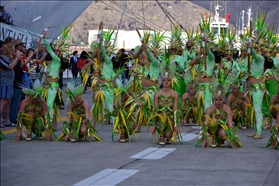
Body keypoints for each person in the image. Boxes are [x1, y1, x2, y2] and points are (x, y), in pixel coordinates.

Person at [41, 25, 72, 140]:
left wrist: (45, 38)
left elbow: (48, 49)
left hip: (53, 86)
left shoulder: (58, 60)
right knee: (50, 105)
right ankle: (52, 125)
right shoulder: (50, 62)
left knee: (49, 105)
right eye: (56, 50)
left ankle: (48, 126)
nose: (57, 52)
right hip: (46, 86)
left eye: (58, 51)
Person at [197, 83, 243, 148]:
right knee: (214, 120)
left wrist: (231, 139)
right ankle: (214, 139)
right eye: (216, 99)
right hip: (212, 129)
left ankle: (222, 140)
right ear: (213, 100)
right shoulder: (210, 108)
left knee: (223, 133)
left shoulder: (227, 108)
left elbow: (230, 124)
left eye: (220, 99)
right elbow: (206, 123)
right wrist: (204, 138)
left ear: (223, 99)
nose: (218, 102)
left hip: (222, 129)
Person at [149, 61, 180, 145]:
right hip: (161, 118)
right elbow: (155, 109)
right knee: (162, 115)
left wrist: (176, 125)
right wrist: (154, 125)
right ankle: (161, 134)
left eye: (169, 80)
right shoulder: (157, 94)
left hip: (170, 118)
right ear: (162, 81)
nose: (166, 82)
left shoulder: (175, 94)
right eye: (164, 80)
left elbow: (175, 110)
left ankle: (168, 133)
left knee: (168, 135)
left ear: (171, 81)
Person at [0, 40, 21, 128]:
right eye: (3, 47)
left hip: (9, 83)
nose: (4, 48)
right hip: (4, 83)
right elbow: (10, 66)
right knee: (3, 101)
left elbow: (10, 63)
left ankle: (7, 121)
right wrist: (17, 58)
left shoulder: (3, 57)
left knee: (8, 101)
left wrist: (15, 57)